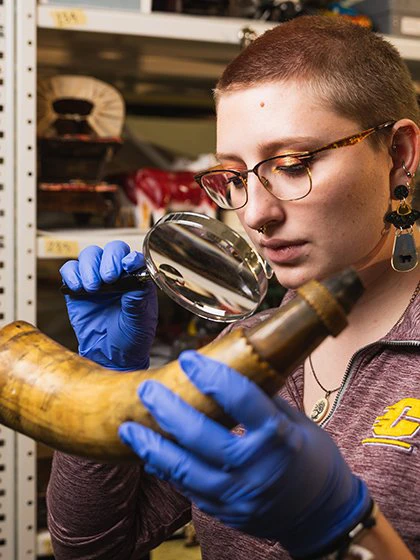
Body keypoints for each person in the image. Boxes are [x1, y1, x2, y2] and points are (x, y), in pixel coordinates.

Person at [47, 15, 420, 560]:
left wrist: (342, 527)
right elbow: (94, 548)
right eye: (235, 177)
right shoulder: (240, 350)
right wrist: (103, 379)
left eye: (293, 165)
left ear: (400, 155)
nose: (257, 213)